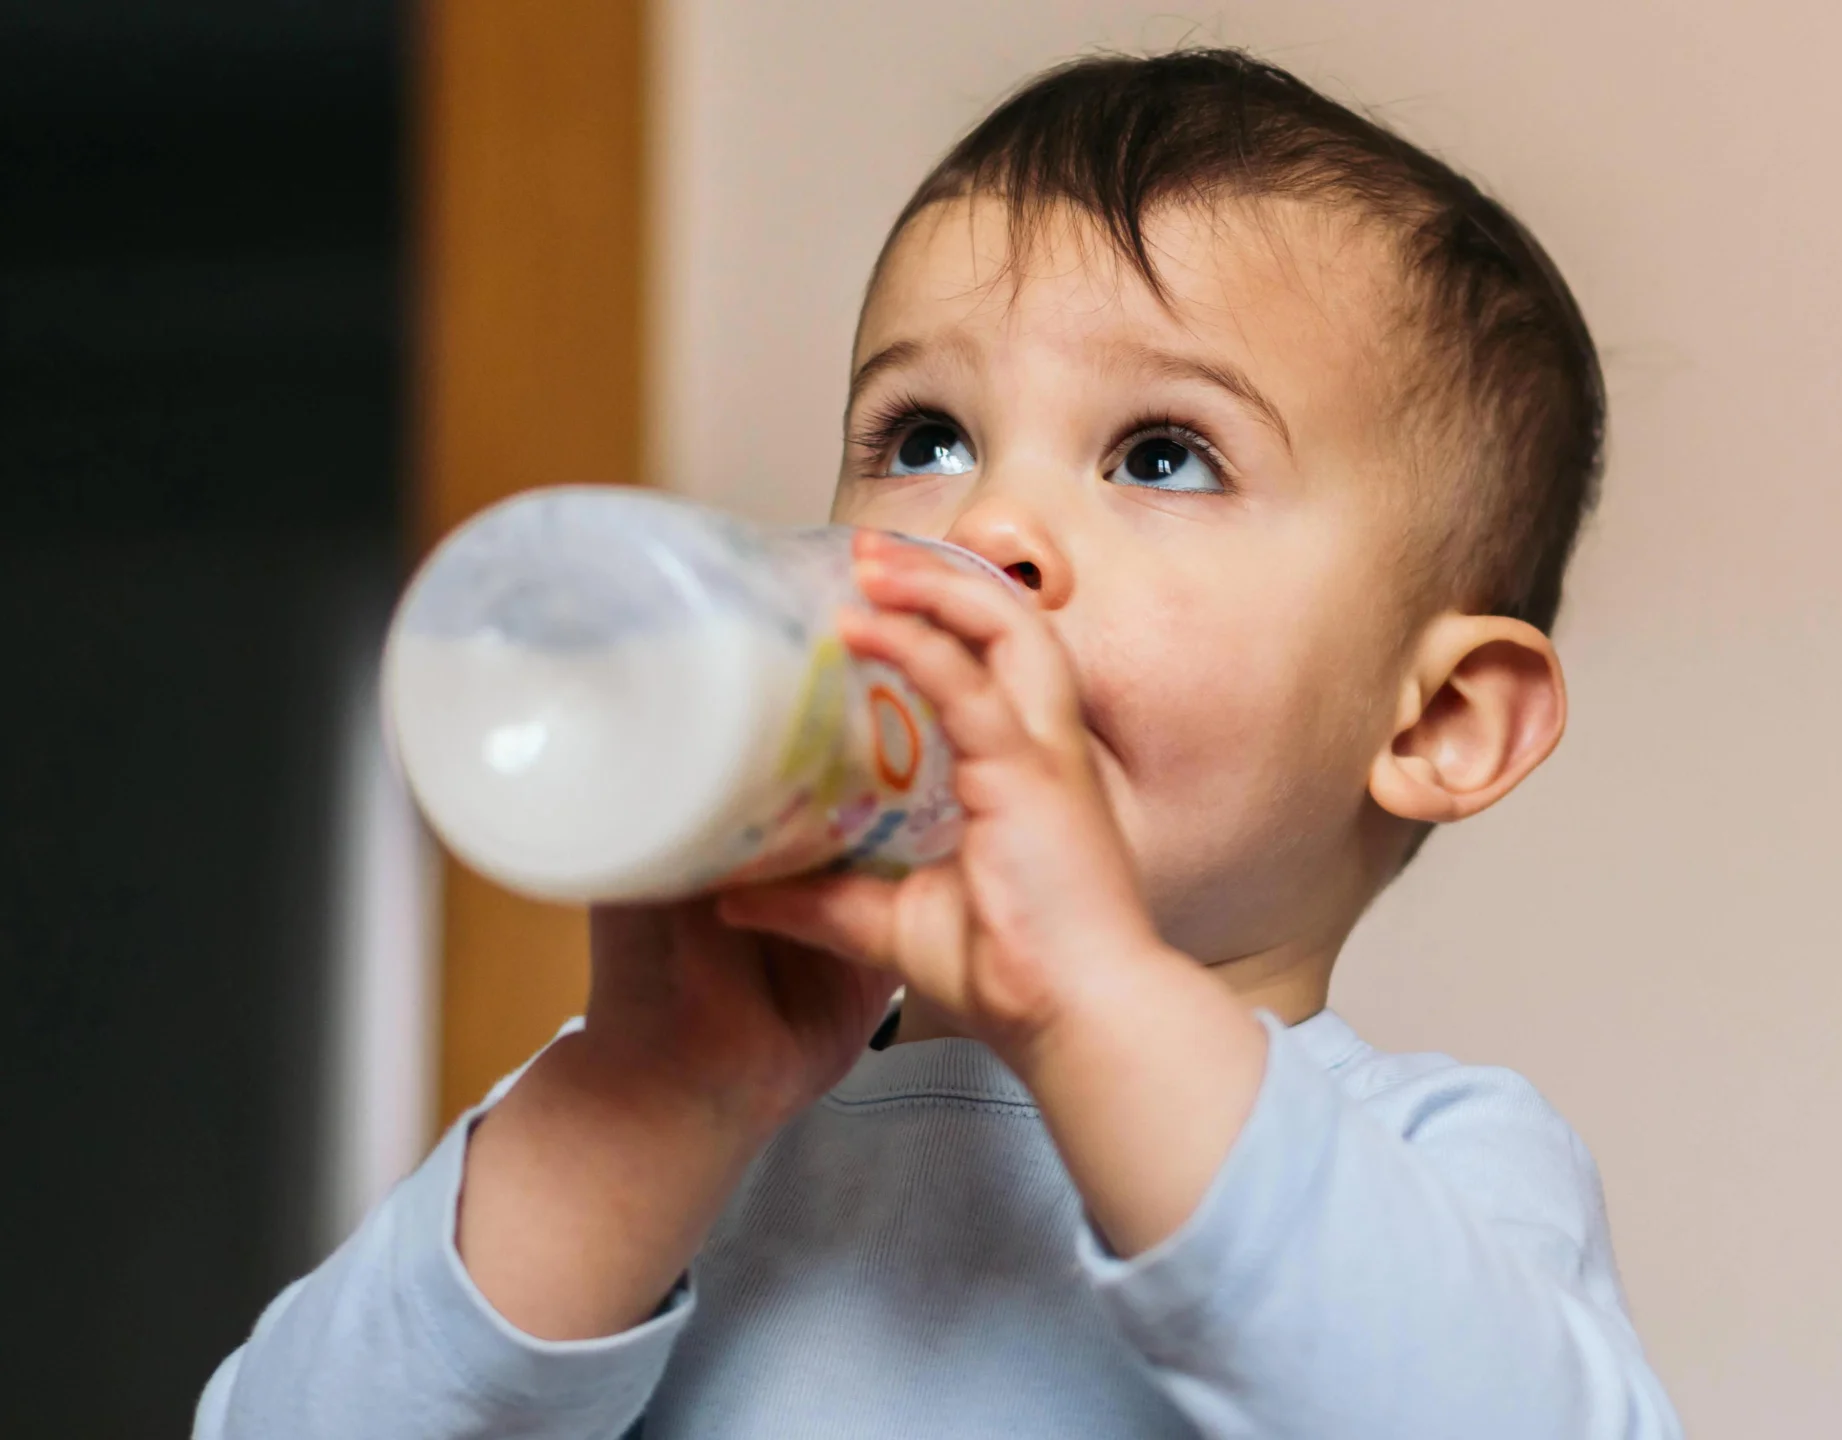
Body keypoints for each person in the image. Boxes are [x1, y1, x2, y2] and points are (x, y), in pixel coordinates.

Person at [198, 47, 1681, 1438]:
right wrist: (643, 1108)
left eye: (1162, 456)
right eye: (925, 441)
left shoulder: (1436, 1165)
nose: (986, 525)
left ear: (1439, 721)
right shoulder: (680, 1129)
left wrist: (1093, 1005)